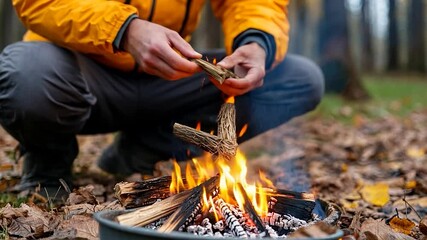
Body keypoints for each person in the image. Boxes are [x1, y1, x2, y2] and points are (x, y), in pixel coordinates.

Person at [0, 0, 324, 198]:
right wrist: (125, 30)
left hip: (169, 73)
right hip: (77, 67)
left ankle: (139, 154)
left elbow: (252, 2)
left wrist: (254, 41)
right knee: (27, 73)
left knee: (298, 78)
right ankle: (48, 166)